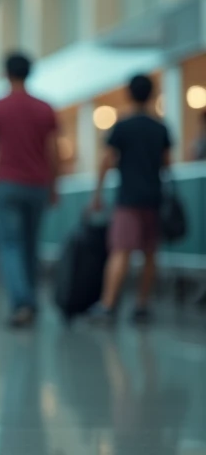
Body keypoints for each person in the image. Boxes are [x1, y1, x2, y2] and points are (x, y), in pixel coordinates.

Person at [0, 53, 59, 328]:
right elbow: (54, 151)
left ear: (6, 74)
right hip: (38, 185)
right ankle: (30, 300)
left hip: (8, 185)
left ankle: (22, 303)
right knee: (31, 245)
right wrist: (54, 186)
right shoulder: (45, 108)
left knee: (10, 245)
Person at [88, 75, 172, 324]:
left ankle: (108, 304)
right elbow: (167, 162)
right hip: (153, 197)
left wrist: (98, 194)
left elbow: (107, 160)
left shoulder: (122, 126)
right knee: (149, 253)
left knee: (121, 250)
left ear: (129, 94)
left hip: (128, 198)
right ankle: (142, 305)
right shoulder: (160, 127)